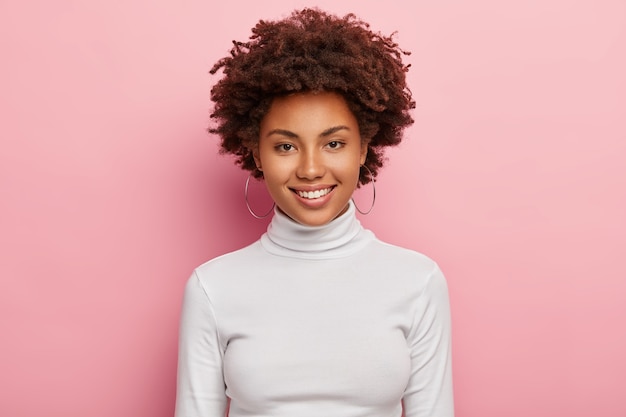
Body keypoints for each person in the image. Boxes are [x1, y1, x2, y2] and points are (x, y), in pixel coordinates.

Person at [175, 8, 454, 417]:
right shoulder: (212, 288)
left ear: (363, 148)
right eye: (285, 146)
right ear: (257, 153)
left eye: (334, 144)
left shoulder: (418, 282)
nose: (309, 169)